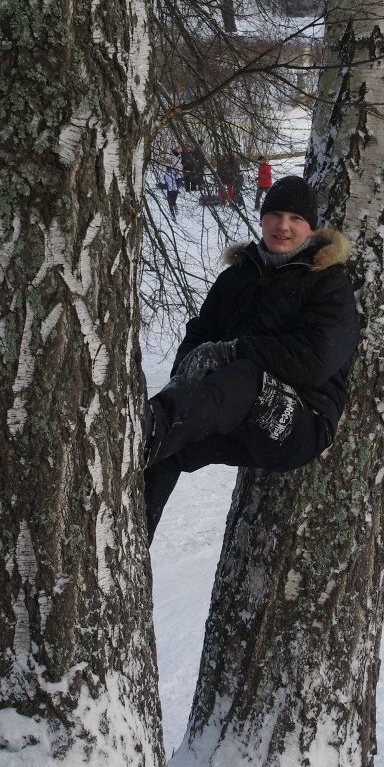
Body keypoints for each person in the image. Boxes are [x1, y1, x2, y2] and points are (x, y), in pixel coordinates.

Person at [142, 176, 360, 542]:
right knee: (168, 448)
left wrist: (235, 349)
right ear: (262, 219)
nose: (283, 225)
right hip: (234, 415)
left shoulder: (328, 283)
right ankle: (124, 542)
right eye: (274, 214)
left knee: (245, 375)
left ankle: (145, 430)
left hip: (303, 421)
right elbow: (200, 334)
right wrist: (189, 367)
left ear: (310, 228)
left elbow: (316, 359)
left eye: (295, 218)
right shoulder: (236, 277)